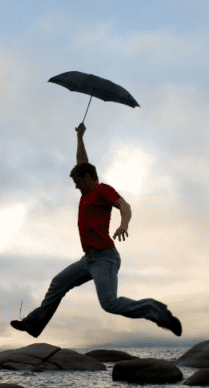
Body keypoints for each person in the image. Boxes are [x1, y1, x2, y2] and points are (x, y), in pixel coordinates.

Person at [11, 123, 182, 338]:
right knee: (58, 283)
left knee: (109, 303)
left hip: (105, 258)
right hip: (88, 259)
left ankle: (158, 313)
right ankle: (33, 325)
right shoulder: (86, 192)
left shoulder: (103, 190)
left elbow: (125, 206)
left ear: (88, 178)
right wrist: (80, 137)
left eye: (77, 182)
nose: (75, 187)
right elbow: (82, 162)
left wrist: (124, 224)